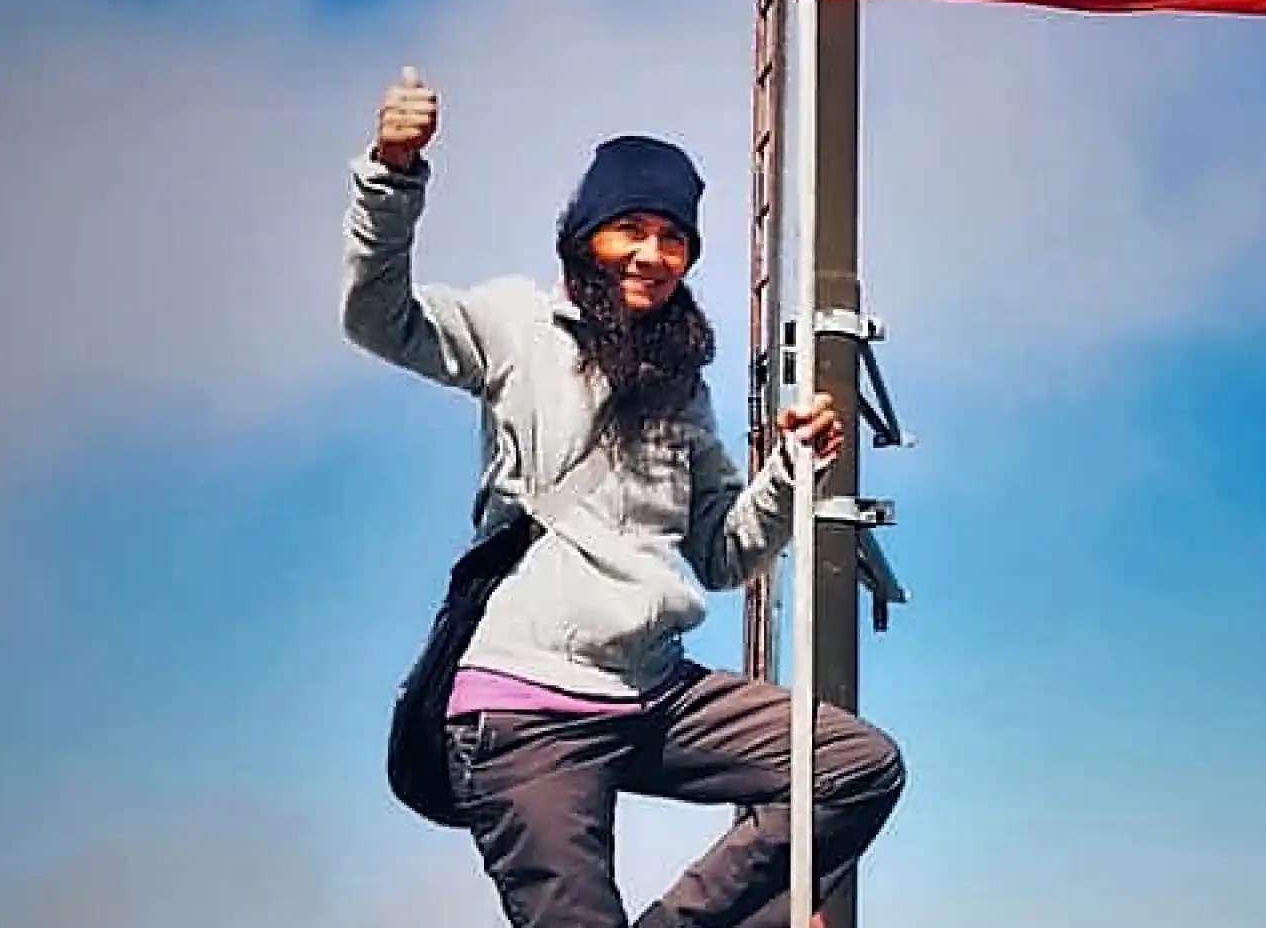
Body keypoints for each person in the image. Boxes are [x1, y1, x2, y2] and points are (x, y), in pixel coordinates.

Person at [341, 66, 907, 928]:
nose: (652, 254)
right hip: (526, 709)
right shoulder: (517, 327)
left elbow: (720, 554)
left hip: (653, 693)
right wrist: (393, 172)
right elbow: (380, 318)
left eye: (673, 240)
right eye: (629, 230)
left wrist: (792, 470)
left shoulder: (685, 388)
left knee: (854, 766)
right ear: (585, 240)